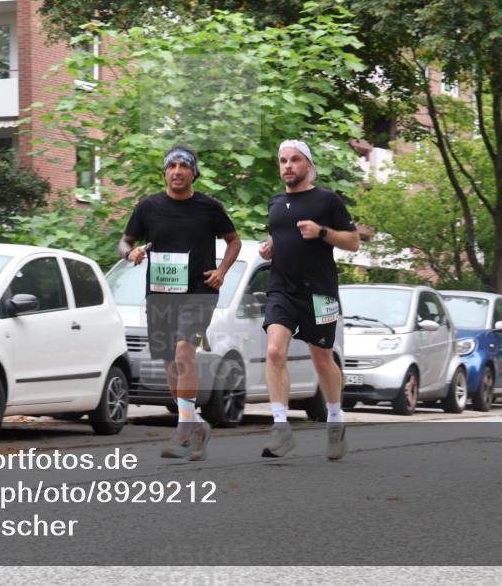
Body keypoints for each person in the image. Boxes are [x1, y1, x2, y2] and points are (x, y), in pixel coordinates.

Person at [119, 145, 240, 460]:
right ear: (165, 172)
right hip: (160, 294)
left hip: (199, 291)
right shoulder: (148, 207)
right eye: (171, 166)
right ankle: (194, 423)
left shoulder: (209, 207)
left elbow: (234, 240)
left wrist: (222, 271)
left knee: (185, 350)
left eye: (183, 166)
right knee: (170, 363)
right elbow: (125, 241)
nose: (176, 172)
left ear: (193, 172)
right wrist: (129, 253)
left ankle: (183, 432)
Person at [258, 140, 359, 459]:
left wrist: (322, 232)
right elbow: (281, 235)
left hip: (319, 291)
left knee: (322, 360)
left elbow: (353, 242)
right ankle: (281, 427)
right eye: (283, 160)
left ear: (308, 165)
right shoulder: (275, 202)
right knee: (274, 351)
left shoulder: (327, 200)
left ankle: (335, 420)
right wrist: (268, 245)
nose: (287, 166)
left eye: (295, 160)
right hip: (282, 288)